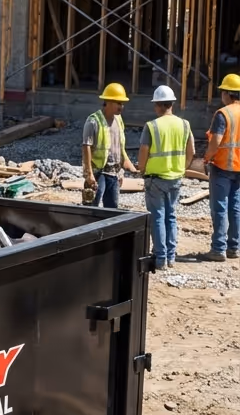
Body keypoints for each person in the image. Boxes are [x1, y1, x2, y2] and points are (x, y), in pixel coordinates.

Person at [138, 85, 195, 270]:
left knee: (158, 217)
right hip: (175, 178)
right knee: (171, 217)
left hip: (156, 179)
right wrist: (182, 168)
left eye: (155, 104)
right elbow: (191, 151)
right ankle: (171, 257)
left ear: (159, 105)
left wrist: (141, 169)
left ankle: (160, 259)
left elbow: (143, 152)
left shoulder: (152, 126)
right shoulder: (184, 124)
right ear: (171, 104)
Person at [200, 73, 240, 262]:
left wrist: (207, 158)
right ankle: (234, 247)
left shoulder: (223, 114)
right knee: (235, 208)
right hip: (239, 169)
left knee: (220, 208)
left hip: (222, 166)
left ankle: (218, 249)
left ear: (227, 93)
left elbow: (216, 141)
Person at [81, 83, 137, 208]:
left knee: (112, 208)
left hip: (114, 173)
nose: (122, 106)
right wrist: (89, 173)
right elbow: (86, 147)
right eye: (119, 103)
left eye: (122, 103)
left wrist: (128, 168)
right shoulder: (93, 121)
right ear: (108, 102)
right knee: (92, 206)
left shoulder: (119, 120)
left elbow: (120, 148)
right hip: (98, 172)